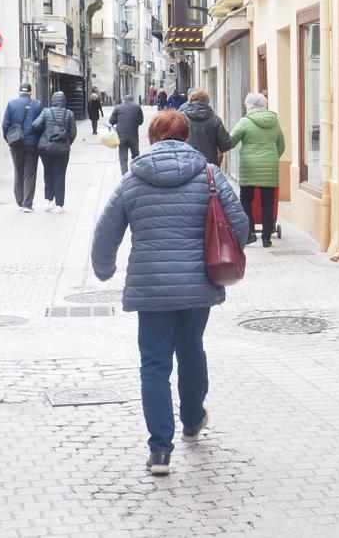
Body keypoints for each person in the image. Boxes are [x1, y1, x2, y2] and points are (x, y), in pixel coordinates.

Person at [90, 110, 249, 477]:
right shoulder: (210, 174)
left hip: (152, 287)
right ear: (188, 136)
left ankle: (160, 451)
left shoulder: (133, 179)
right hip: (198, 284)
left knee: (154, 365)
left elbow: (105, 231)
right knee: (192, 349)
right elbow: (239, 225)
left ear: (151, 138)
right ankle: (192, 419)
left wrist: (104, 269)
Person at [229, 92, 285, 248]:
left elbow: (231, 141)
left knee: (246, 199)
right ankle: (266, 238)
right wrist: (271, 158)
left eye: (246, 105)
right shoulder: (274, 121)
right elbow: (282, 145)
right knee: (268, 202)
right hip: (269, 167)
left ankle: (250, 233)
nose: (245, 107)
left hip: (249, 166)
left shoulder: (245, 121)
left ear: (251, 106)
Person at [31, 91, 77, 213]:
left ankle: (48, 201)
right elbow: (73, 133)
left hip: (45, 148)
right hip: (62, 149)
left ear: (53, 100)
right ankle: (59, 205)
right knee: (60, 175)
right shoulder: (69, 114)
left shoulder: (46, 112)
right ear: (64, 101)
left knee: (48, 173)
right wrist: (66, 143)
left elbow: (35, 125)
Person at [0, 83, 43, 212]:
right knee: (30, 173)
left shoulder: (11, 104)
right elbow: (42, 124)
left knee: (18, 171)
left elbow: (5, 125)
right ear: (30, 92)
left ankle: (19, 201)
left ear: (19, 91)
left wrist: (9, 141)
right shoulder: (37, 105)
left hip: (16, 144)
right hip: (32, 143)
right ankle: (27, 204)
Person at [180, 89, 232, 165]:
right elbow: (225, 145)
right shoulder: (215, 120)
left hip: (187, 163)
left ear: (190, 101)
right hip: (209, 166)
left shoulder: (181, 118)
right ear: (207, 102)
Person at [108, 94, 145, 173]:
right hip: (133, 136)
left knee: (123, 158)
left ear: (123, 100)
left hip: (121, 137)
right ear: (132, 100)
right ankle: (136, 173)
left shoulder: (118, 108)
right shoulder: (137, 107)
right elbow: (141, 121)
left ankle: (125, 175)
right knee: (135, 156)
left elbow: (111, 121)